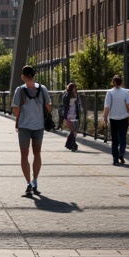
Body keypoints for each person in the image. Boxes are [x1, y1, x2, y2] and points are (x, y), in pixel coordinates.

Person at [11, 65, 51, 197]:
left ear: (23, 76)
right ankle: (35, 182)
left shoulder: (20, 90)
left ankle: (28, 183)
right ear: (33, 76)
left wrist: (21, 117)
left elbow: (15, 108)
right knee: (37, 153)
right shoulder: (42, 88)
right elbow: (48, 106)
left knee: (24, 154)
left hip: (24, 126)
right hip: (39, 126)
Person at [103, 75, 129, 166]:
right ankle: (121, 154)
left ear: (113, 82)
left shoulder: (110, 93)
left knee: (115, 139)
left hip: (113, 118)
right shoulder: (125, 92)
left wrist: (105, 117)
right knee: (123, 137)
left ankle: (115, 159)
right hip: (124, 118)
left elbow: (107, 107)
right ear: (121, 83)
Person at [60, 83, 83, 151]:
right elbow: (65, 104)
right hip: (69, 115)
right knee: (73, 130)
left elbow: (79, 103)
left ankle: (70, 144)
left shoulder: (77, 95)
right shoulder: (66, 95)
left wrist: (77, 100)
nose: (75, 89)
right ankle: (73, 144)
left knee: (75, 130)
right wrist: (73, 99)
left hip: (75, 115)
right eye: (73, 87)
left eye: (75, 88)